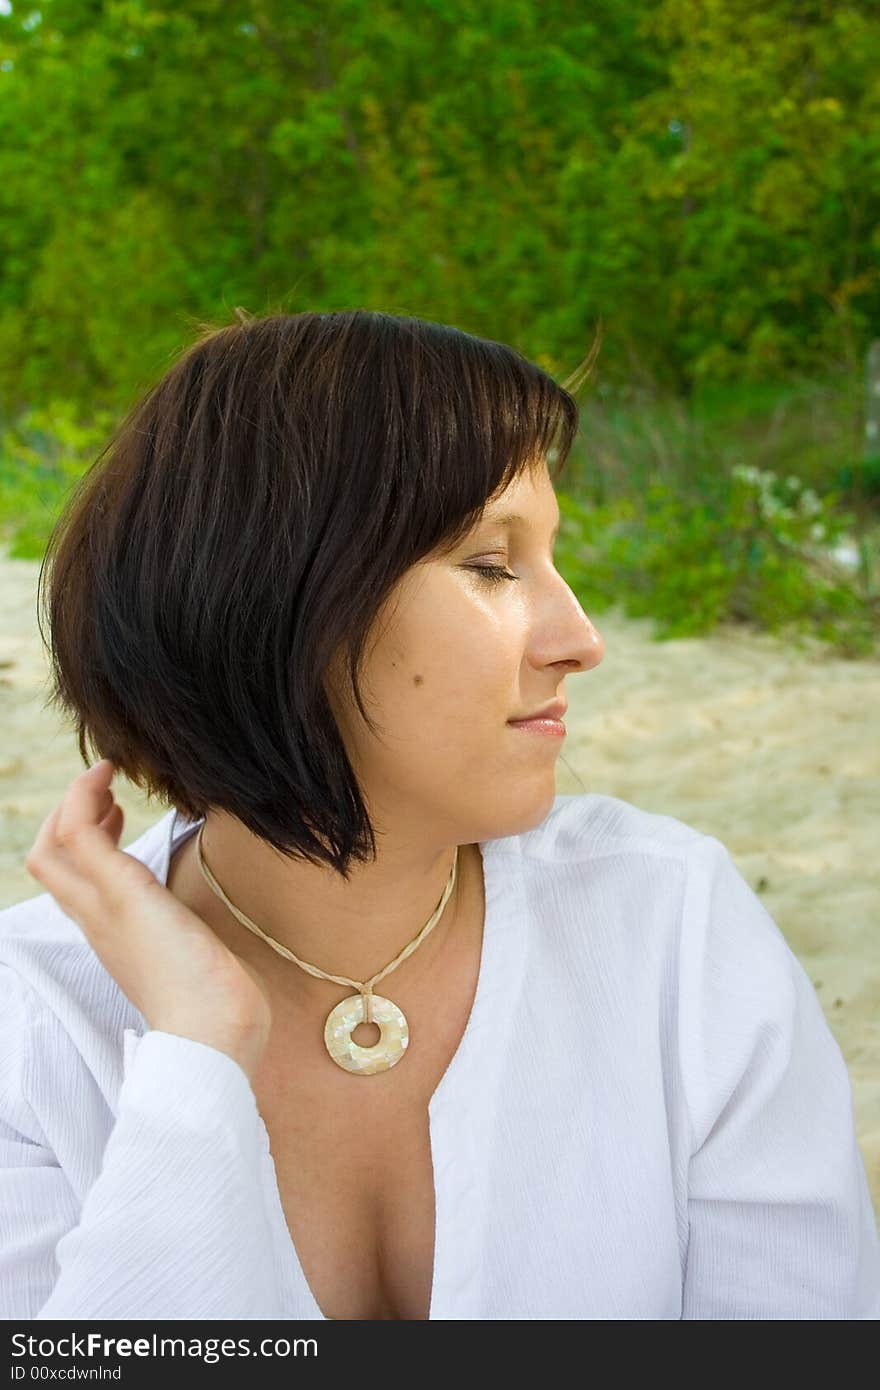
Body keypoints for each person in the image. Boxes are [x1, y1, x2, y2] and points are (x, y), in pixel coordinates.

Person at [0, 310, 877, 1322]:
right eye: (492, 564)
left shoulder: (671, 931)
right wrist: (198, 1051)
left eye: (552, 558)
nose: (578, 638)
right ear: (276, 597)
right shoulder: (35, 1027)